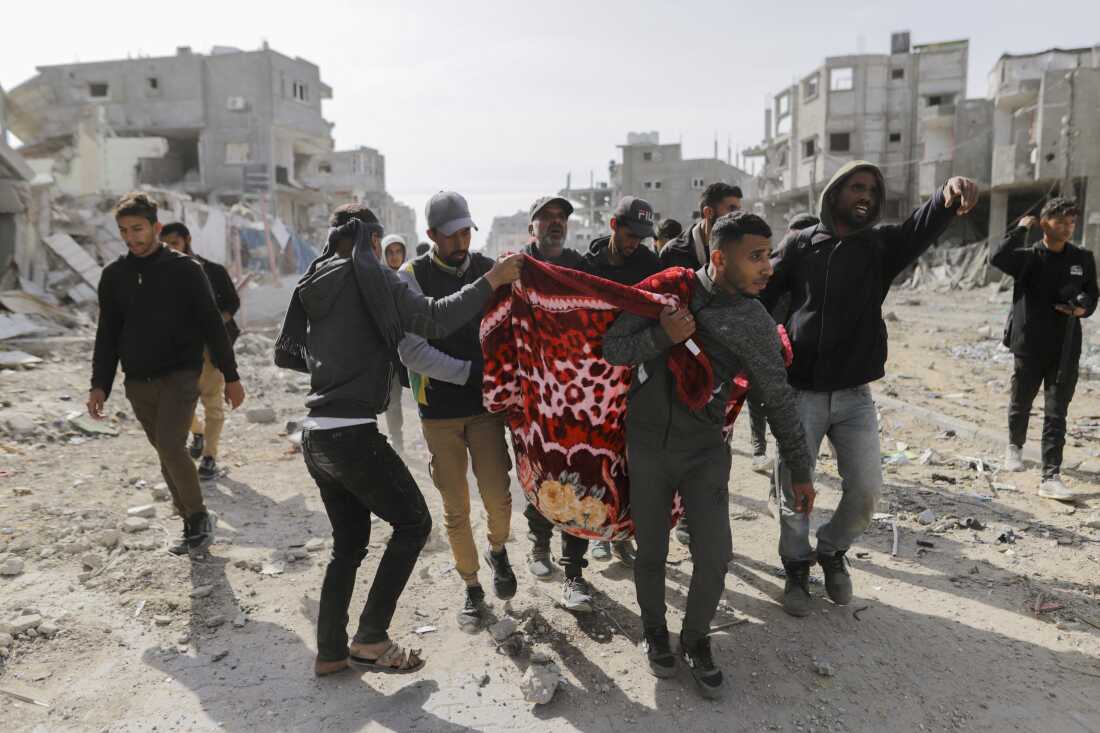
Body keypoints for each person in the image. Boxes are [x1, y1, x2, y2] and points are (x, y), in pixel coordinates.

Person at [275, 202, 523, 677]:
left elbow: (304, 353)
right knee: (413, 524)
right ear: (372, 239)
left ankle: (330, 652)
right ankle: (370, 638)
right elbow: (432, 319)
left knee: (347, 547)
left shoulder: (316, 278)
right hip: (351, 434)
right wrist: (490, 282)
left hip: (316, 436)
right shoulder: (373, 278)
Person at [603, 211, 816, 699]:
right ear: (720, 258)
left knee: (715, 554)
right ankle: (655, 632)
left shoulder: (754, 321)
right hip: (648, 447)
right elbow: (614, 347)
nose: (767, 267)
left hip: (705, 452)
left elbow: (778, 398)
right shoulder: (667, 292)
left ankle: (697, 639)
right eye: (756, 257)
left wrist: (800, 470)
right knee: (652, 551)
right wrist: (664, 335)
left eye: (769, 256)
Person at [761, 162, 977, 617]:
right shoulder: (802, 244)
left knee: (865, 491)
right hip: (801, 393)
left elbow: (920, 227)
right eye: (856, 187)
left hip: (855, 396)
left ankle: (833, 550)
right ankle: (796, 568)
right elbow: (760, 292)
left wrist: (945, 194)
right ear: (835, 193)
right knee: (793, 491)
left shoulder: (880, 247)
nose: (865, 195)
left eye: (873, 189)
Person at [88, 193, 246, 557]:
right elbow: (107, 333)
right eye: (124, 231)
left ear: (156, 227)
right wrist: (100, 384)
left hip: (181, 374)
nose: (131, 237)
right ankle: (190, 520)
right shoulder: (114, 276)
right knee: (165, 450)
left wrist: (231, 375)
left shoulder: (186, 269)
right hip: (137, 381)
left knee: (173, 446)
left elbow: (212, 323)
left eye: (138, 229)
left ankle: (198, 517)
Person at [396, 192, 517, 630]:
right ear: (431, 236)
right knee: (456, 508)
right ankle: (471, 586)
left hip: (486, 410)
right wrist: (470, 373)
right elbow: (412, 351)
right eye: (453, 234)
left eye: (467, 231)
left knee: (497, 498)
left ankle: (498, 551)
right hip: (440, 413)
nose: (461, 241)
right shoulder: (410, 277)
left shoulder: (492, 271)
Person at [991, 198, 1097, 501]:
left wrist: (1081, 309)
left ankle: (1051, 475)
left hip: (1065, 345)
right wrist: (1020, 230)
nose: (1067, 227)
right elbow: (998, 258)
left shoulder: (1083, 258)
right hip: (1029, 342)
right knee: (1021, 399)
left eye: (1071, 222)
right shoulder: (1028, 257)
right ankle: (1015, 447)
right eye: (1060, 221)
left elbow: (1092, 294)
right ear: (1044, 223)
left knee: (1056, 411)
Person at [522, 194, 597, 612]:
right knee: (539, 474)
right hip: (533, 398)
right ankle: (538, 544)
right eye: (546, 217)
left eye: (561, 218)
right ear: (532, 227)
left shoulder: (581, 267)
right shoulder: (518, 268)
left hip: (574, 396)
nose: (555, 223)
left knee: (576, 479)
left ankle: (574, 572)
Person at [580, 195, 663, 566]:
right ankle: (599, 532)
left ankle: (623, 534)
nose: (635, 244)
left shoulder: (648, 263)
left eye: (641, 238)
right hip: (597, 377)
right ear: (613, 226)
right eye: (630, 235)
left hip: (636, 373)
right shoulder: (588, 266)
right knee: (598, 459)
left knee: (631, 461)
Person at [160, 222, 241, 481]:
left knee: (213, 404)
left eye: (175, 243)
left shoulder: (212, 271)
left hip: (209, 351)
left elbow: (232, 303)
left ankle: (209, 456)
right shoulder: (159, 274)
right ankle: (198, 432)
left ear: (187, 240)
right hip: (176, 352)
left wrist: (215, 323)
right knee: (178, 403)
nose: (170, 249)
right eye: (166, 244)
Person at [747, 213, 819, 483]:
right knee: (758, 397)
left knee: (786, 409)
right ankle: (759, 449)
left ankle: (786, 467)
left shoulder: (816, 273)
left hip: (795, 351)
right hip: (766, 342)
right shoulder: (771, 265)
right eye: (793, 237)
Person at [659, 183, 742, 271]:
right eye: (732, 209)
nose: (738, 215)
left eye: (739, 210)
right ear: (709, 212)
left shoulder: (739, 249)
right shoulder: (674, 252)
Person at [381, 234, 410, 451]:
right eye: (389, 252)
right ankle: (397, 440)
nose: (394, 256)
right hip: (391, 350)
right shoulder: (378, 280)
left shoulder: (411, 276)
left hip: (415, 347)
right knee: (393, 399)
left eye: (398, 251)